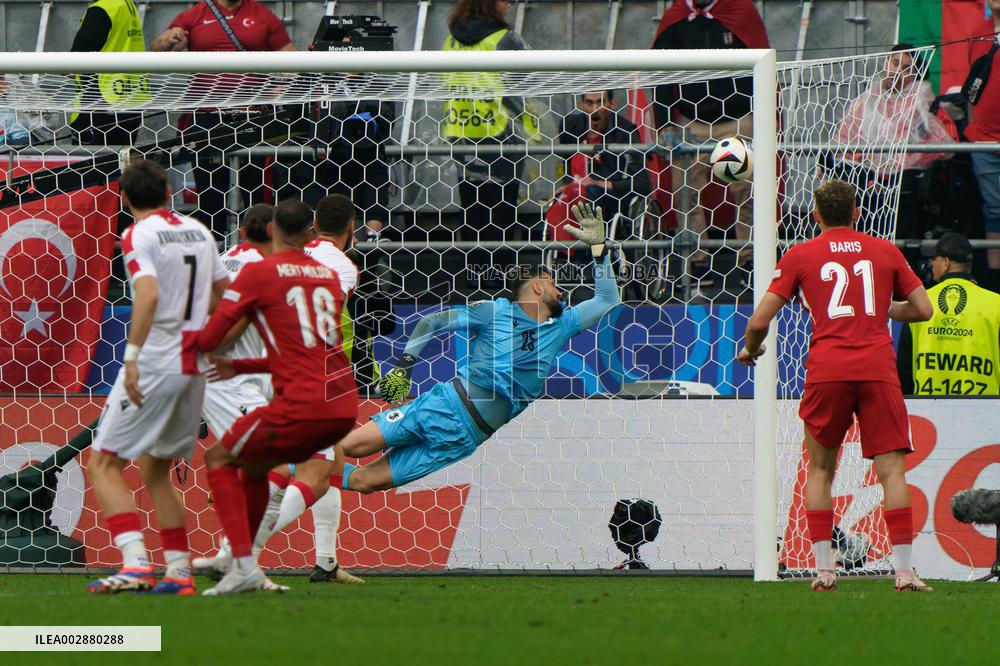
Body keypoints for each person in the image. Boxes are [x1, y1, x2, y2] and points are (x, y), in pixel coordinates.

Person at [328, 204, 619, 494]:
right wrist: (404, 367)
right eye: (554, 284)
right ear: (538, 287)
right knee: (349, 446)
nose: (561, 291)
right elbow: (433, 322)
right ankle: (299, 466)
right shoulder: (495, 311)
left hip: (465, 438)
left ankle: (302, 477)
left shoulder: (561, 326)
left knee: (365, 482)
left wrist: (599, 251)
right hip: (442, 407)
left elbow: (607, 300)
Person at [737, 179, 933, 592]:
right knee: (892, 471)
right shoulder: (885, 251)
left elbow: (758, 321)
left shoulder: (800, 254)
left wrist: (751, 350)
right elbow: (922, 309)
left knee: (821, 470)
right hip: (878, 369)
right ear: (857, 213)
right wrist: (883, 308)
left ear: (816, 216)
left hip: (828, 370)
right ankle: (903, 572)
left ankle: (825, 570)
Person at [196, 194, 368, 585]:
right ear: (351, 228)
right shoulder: (339, 268)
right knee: (315, 471)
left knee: (331, 463)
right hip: (306, 371)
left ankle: (326, 562)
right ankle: (236, 552)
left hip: (261, 368)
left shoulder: (273, 256)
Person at [85, 159, 229, 595]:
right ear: (169, 192)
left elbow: (147, 295)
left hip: (157, 361)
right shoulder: (198, 231)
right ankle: (179, 572)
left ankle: (134, 564)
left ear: (124, 197)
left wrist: (131, 358)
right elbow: (223, 295)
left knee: (103, 463)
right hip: (195, 366)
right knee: (155, 468)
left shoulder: (137, 234)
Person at [151, 0, 294, 241]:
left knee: (256, 195)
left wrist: (282, 86)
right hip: (207, 118)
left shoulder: (262, 15)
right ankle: (214, 251)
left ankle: (257, 252)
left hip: (253, 118)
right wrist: (169, 40)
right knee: (210, 197)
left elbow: (292, 61)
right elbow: (157, 47)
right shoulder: (195, 15)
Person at [652, 0, 770, 289]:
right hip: (691, 122)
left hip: (737, 120)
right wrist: (665, 123)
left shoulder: (740, 11)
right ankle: (698, 262)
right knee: (685, 191)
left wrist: (763, 116)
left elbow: (762, 68)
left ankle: (750, 260)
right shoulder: (676, 19)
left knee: (747, 191)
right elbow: (660, 75)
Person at [442, 0, 539, 284]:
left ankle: (475, 277)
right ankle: (501, 280)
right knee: (502, 210)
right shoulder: (504, 39)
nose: (508, 4)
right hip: (502, 133)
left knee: (472, 208)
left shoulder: (451, 40)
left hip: (462, 131)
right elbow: (526, 83)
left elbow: (446, 82)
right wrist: (532, 128)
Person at [834, 46, 955, 243]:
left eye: (906, 68)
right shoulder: (865, 100)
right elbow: (844, 141)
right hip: (867, 176)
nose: (897, 71)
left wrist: (900, 163)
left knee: (905, 188)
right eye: (895, 63)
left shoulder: (923, 103)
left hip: (906, 179)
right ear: (885, 63)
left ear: (915, 74)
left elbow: (942, 147)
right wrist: (863, 159)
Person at [897, 232, 1000, 396]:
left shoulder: (920, 302)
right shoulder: (995, 303)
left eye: (934, 259)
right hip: (985, 406)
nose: (932, 264)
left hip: (927, 405)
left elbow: (904, 368)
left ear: (945, 263)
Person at [548, 90, 649, 247]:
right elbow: (568, 165)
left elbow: (643, 184)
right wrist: (570, 185)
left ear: (612, 104)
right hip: (579, 193)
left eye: (600, 102)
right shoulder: (570, 127)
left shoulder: (626, 132)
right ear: (582, 105)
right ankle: (566, 250)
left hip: (614, 197)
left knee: (591, 193)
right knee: (564, 197)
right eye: (589, 103)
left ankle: (585, 251)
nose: (595, 109)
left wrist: (600, 183)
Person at [69, 0, 147, 146]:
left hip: (100, 102)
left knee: (91, 159)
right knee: (120, 157)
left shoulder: (102, 9)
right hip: (130, 100)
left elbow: (73, 63)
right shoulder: (126, 5)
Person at [960, 0, 1000, 273]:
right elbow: (971, 87)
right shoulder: (978, 34)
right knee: (994, 209)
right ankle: (996, 279)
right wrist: (974, 130)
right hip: (984, 141)